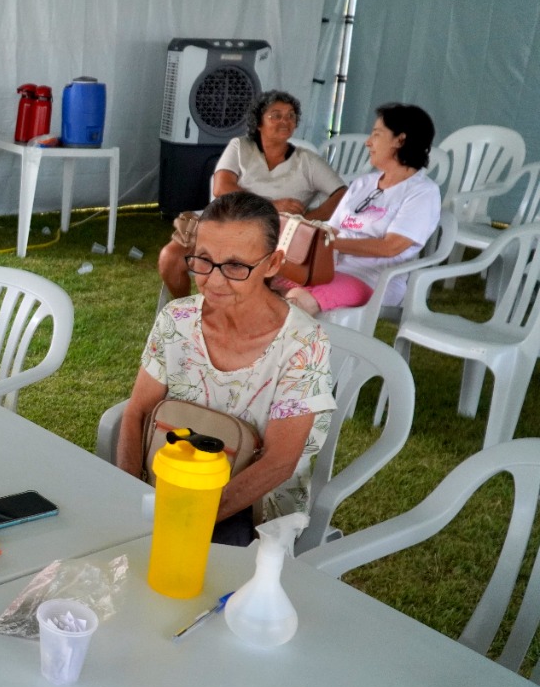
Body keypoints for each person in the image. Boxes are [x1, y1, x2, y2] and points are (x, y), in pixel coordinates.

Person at [121, 191, 335, 545]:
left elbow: (280, 462)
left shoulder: (303, 344)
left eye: (236, 266)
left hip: (251, 510)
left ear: (273, 264)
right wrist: (128, 495)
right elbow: (137, 412)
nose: (214, 281)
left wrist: (187, 519)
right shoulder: (178, 319)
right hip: (165, 482)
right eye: (203, 260)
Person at [159, 91, 346, 299]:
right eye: (276, 115)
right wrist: (272, 205)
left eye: (291, 116)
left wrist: (308, 221)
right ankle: (187, 314)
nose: (285, 121)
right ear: (258, 123)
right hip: (225, 223)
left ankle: (232, 317)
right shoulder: (240, 147)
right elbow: (221, 187)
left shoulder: (307, 161)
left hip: (269, 236)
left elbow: (343, 194)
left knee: (242, 272)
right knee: (171, 258)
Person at [283, 103, 441, 316]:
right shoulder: (363, 183)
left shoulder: (422, 192)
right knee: (254, 279)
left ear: (400, 140)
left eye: (376, 134)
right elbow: (332, 231)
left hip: (372, 280)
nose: (368, 142)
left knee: (296, 302)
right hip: (327, 269)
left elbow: (390, 247)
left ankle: (293, 348)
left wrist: (328, 243)